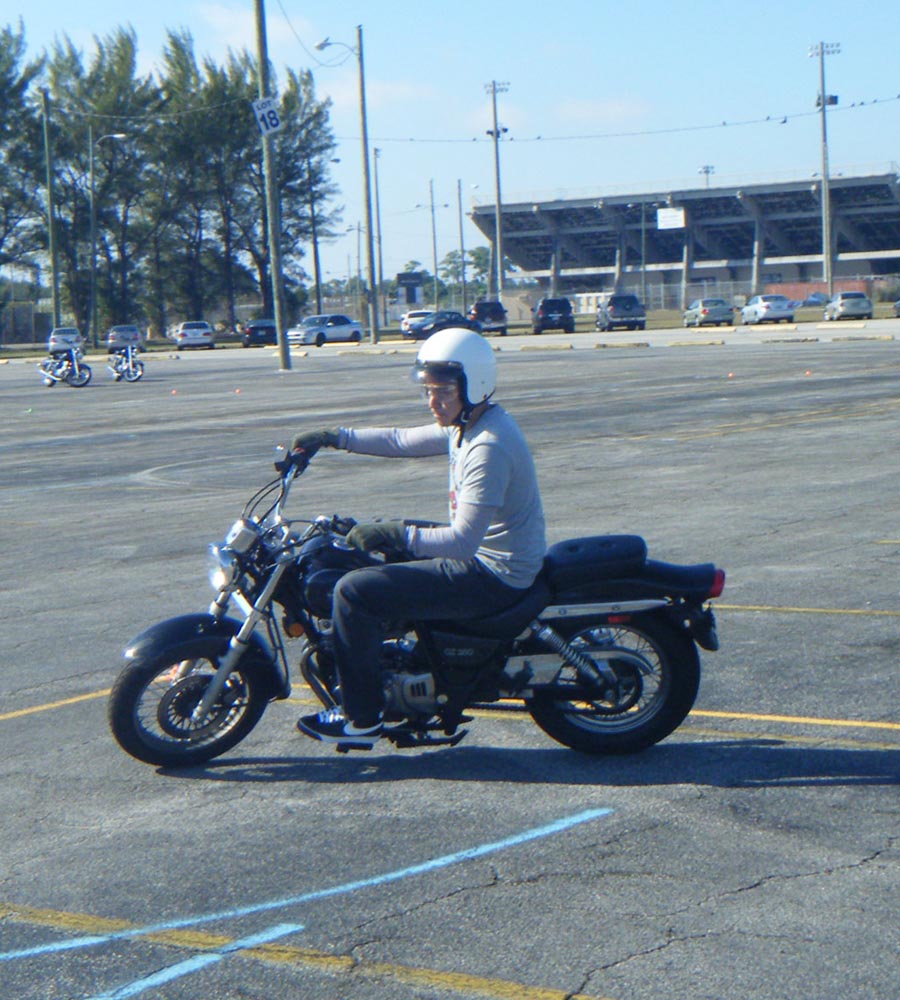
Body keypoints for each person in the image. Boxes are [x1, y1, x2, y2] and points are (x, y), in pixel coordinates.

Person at [292, 327, 546, 748]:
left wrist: (394, 533)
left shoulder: (489, 446)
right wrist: (333, 437)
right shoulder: (467, 424)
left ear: (474, 384)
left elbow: (462, 543)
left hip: (493, 573)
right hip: (485, 556)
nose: (432, 401)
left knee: (354, 592)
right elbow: (400, 439)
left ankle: (361, 718)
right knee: (383, 547)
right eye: (428, 390)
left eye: (443, 391)